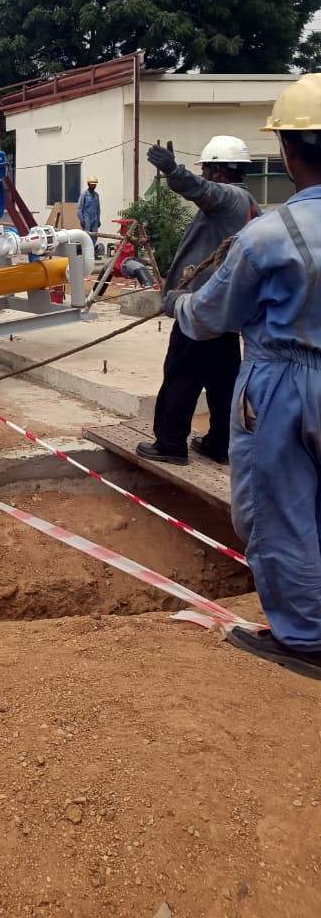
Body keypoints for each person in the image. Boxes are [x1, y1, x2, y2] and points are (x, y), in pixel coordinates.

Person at [171, 75, 321, 679]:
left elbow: (211, 316)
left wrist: (177, 304)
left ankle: (305, 639)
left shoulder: (267, 235)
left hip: (283, 385)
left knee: (279, 509)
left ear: (286, 151)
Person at [135, 136, 259, 466]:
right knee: (223, 383)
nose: (203, 175)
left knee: (181, 376)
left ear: (217, 171)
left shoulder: (229, 197)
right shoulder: (248, 205)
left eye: (205, 169)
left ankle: (170, 444)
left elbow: (202, 191)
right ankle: (221, 444)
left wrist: (174, 171)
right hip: (225, 313)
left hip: (200, 312)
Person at [77, 177, 101, 245]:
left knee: (94, 235)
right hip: (86, 218)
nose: (93, 186)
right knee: (86, 236)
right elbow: (79, 209)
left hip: (95, 219)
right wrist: (81, 220)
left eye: (95, 185)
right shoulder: (84, 195)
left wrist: (98, 220)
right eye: (92, 184)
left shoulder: (96, 195)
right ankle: (85, 252)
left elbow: (98, 209)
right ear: (88, 184)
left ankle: (92, 251)